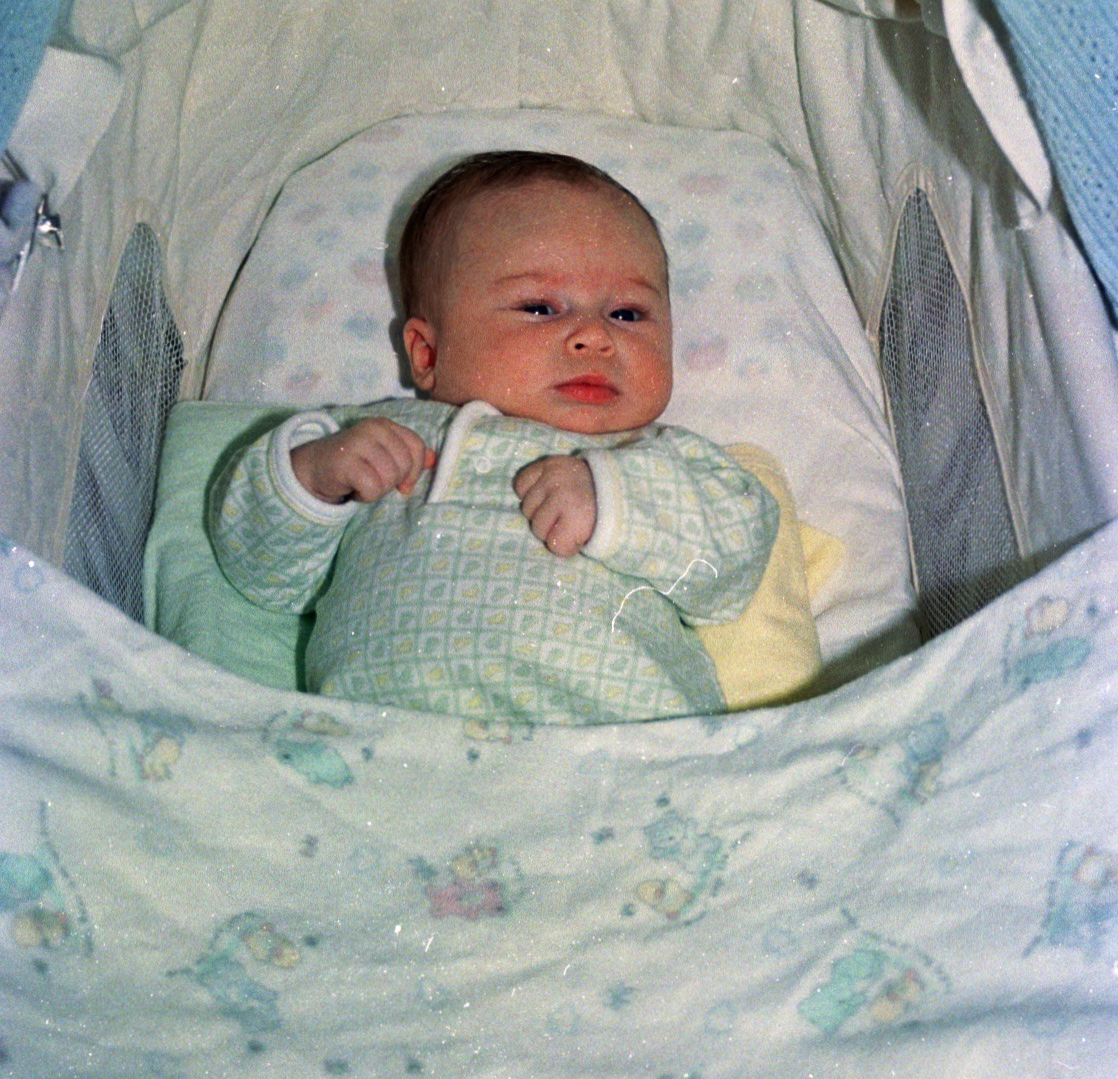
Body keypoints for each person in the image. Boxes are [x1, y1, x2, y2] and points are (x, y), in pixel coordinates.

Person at [209, 151, 780, 722]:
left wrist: (614, 498)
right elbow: (264, 574)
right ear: (427, 355)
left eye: (628, 314)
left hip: (611, 746)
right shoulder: (376, 439)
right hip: (387, 752)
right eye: (539, 307)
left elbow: (731, 566)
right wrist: (313, 476)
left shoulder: (658, 457)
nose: (593, 336)